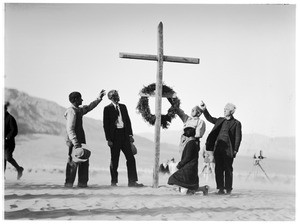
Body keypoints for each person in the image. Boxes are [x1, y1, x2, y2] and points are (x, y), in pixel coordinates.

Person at [64, 90, 105, 188]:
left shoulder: (78, 110)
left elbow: (90, 107)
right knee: (73, 162)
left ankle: (82, 184)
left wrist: (99, 98)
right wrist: (75, 143)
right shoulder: (71, 111)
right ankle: (68, 185)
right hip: (75, 141)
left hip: (80, 140)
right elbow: (70, 129)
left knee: (84, 161)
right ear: (75, 100)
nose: (82, 99)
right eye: (80, 98)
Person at [103, 90, 143, 187]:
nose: (117, 97)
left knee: (131, 158)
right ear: (110, 98)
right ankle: (114, 182)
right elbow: (106, 125)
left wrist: (130, 135)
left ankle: (132, 181)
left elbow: (128, 121)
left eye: (117, 95)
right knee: (114, 160)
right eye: (115, 96)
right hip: (114, 136)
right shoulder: (107, 109)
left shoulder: (123, 107)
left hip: (124, 135)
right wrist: (108, 139)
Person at [200, 101, 242, 195]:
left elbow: (238, 138)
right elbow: (210, 118)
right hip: (218, 149)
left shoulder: (236, 123)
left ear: (231, 112)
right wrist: (204, 109)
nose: (224, 110)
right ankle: (220, 189)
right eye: (224, 109)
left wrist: (235, 150)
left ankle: (228, 189)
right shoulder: (220, 120)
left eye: (226, 109)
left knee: (228, 169)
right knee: (218, 169)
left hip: (229, 150)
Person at [168, 127, 209, 195]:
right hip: (191, 167)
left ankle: (200, 189)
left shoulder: (191, 143)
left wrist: (179, 165)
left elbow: (187, 157)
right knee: (190, 185)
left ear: (187, 136)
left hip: (188, 168)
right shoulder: (193, 143)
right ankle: (203, 189)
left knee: (173, 179)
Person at [4, 102, 24, 180]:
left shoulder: (10, 118)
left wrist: (7, 137)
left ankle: (19, 169)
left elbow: (14, 130)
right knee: (3, 159)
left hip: (9, 143)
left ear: (5, 109)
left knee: (8, 157)